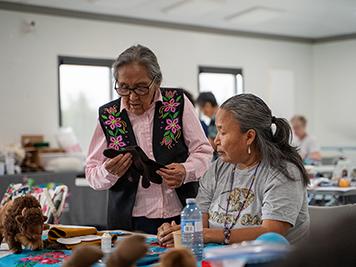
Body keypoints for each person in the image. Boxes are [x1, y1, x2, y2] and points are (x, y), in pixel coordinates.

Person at [85, 45, 213, 234]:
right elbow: (91, 171)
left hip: (181, 214)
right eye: (124, 88)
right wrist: (108, 172)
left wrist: (186, 171)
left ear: (157, 81)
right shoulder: (108, 115)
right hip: (128, 220)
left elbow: (203, 150)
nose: (132, 97)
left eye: (141, 88)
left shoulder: (177, 102)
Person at [157, 94, 310, 245]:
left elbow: (272, 233)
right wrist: (178, 232)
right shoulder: (219, 167)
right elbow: (200, 223)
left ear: (249, 137)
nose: (216, 140)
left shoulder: (283, 172)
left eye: (222, 132)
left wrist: (209, 235)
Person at [196, 92, 219, 158]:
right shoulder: (224, 114)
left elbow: (212, 145)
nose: (203, 113)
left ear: (207, 105)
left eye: (201, 109)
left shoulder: (215, 120)